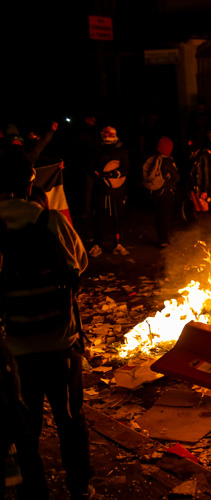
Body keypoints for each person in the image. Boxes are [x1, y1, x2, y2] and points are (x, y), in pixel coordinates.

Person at [0, 153, 93, 500]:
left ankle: (34, 492)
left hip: (15, 351)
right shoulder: (49, 220)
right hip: (60, 343)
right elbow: (80, 263)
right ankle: (79, 487)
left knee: (25, 429)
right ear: (28, 185)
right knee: (70, 420)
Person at [88, 126, 129, 257]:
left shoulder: (122, 151)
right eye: (105, 134)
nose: (107, 136)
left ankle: (118, 244)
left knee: (117, 218)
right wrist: (99, 173)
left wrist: (113, 174)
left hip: (117, 189)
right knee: (99, 217)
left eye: (109, 134)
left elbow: (126, 169)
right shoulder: (97, 150)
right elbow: (91, 167)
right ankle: (97, 244)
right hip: (101, 189)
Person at [141, 137, 180, 247]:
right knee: (165, 217)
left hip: (155, 192)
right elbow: (177, 178)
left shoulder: (154, 159)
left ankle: (160, 239)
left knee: (158, 216)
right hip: (167, 193)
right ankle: (163, 241)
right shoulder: (168, 161)